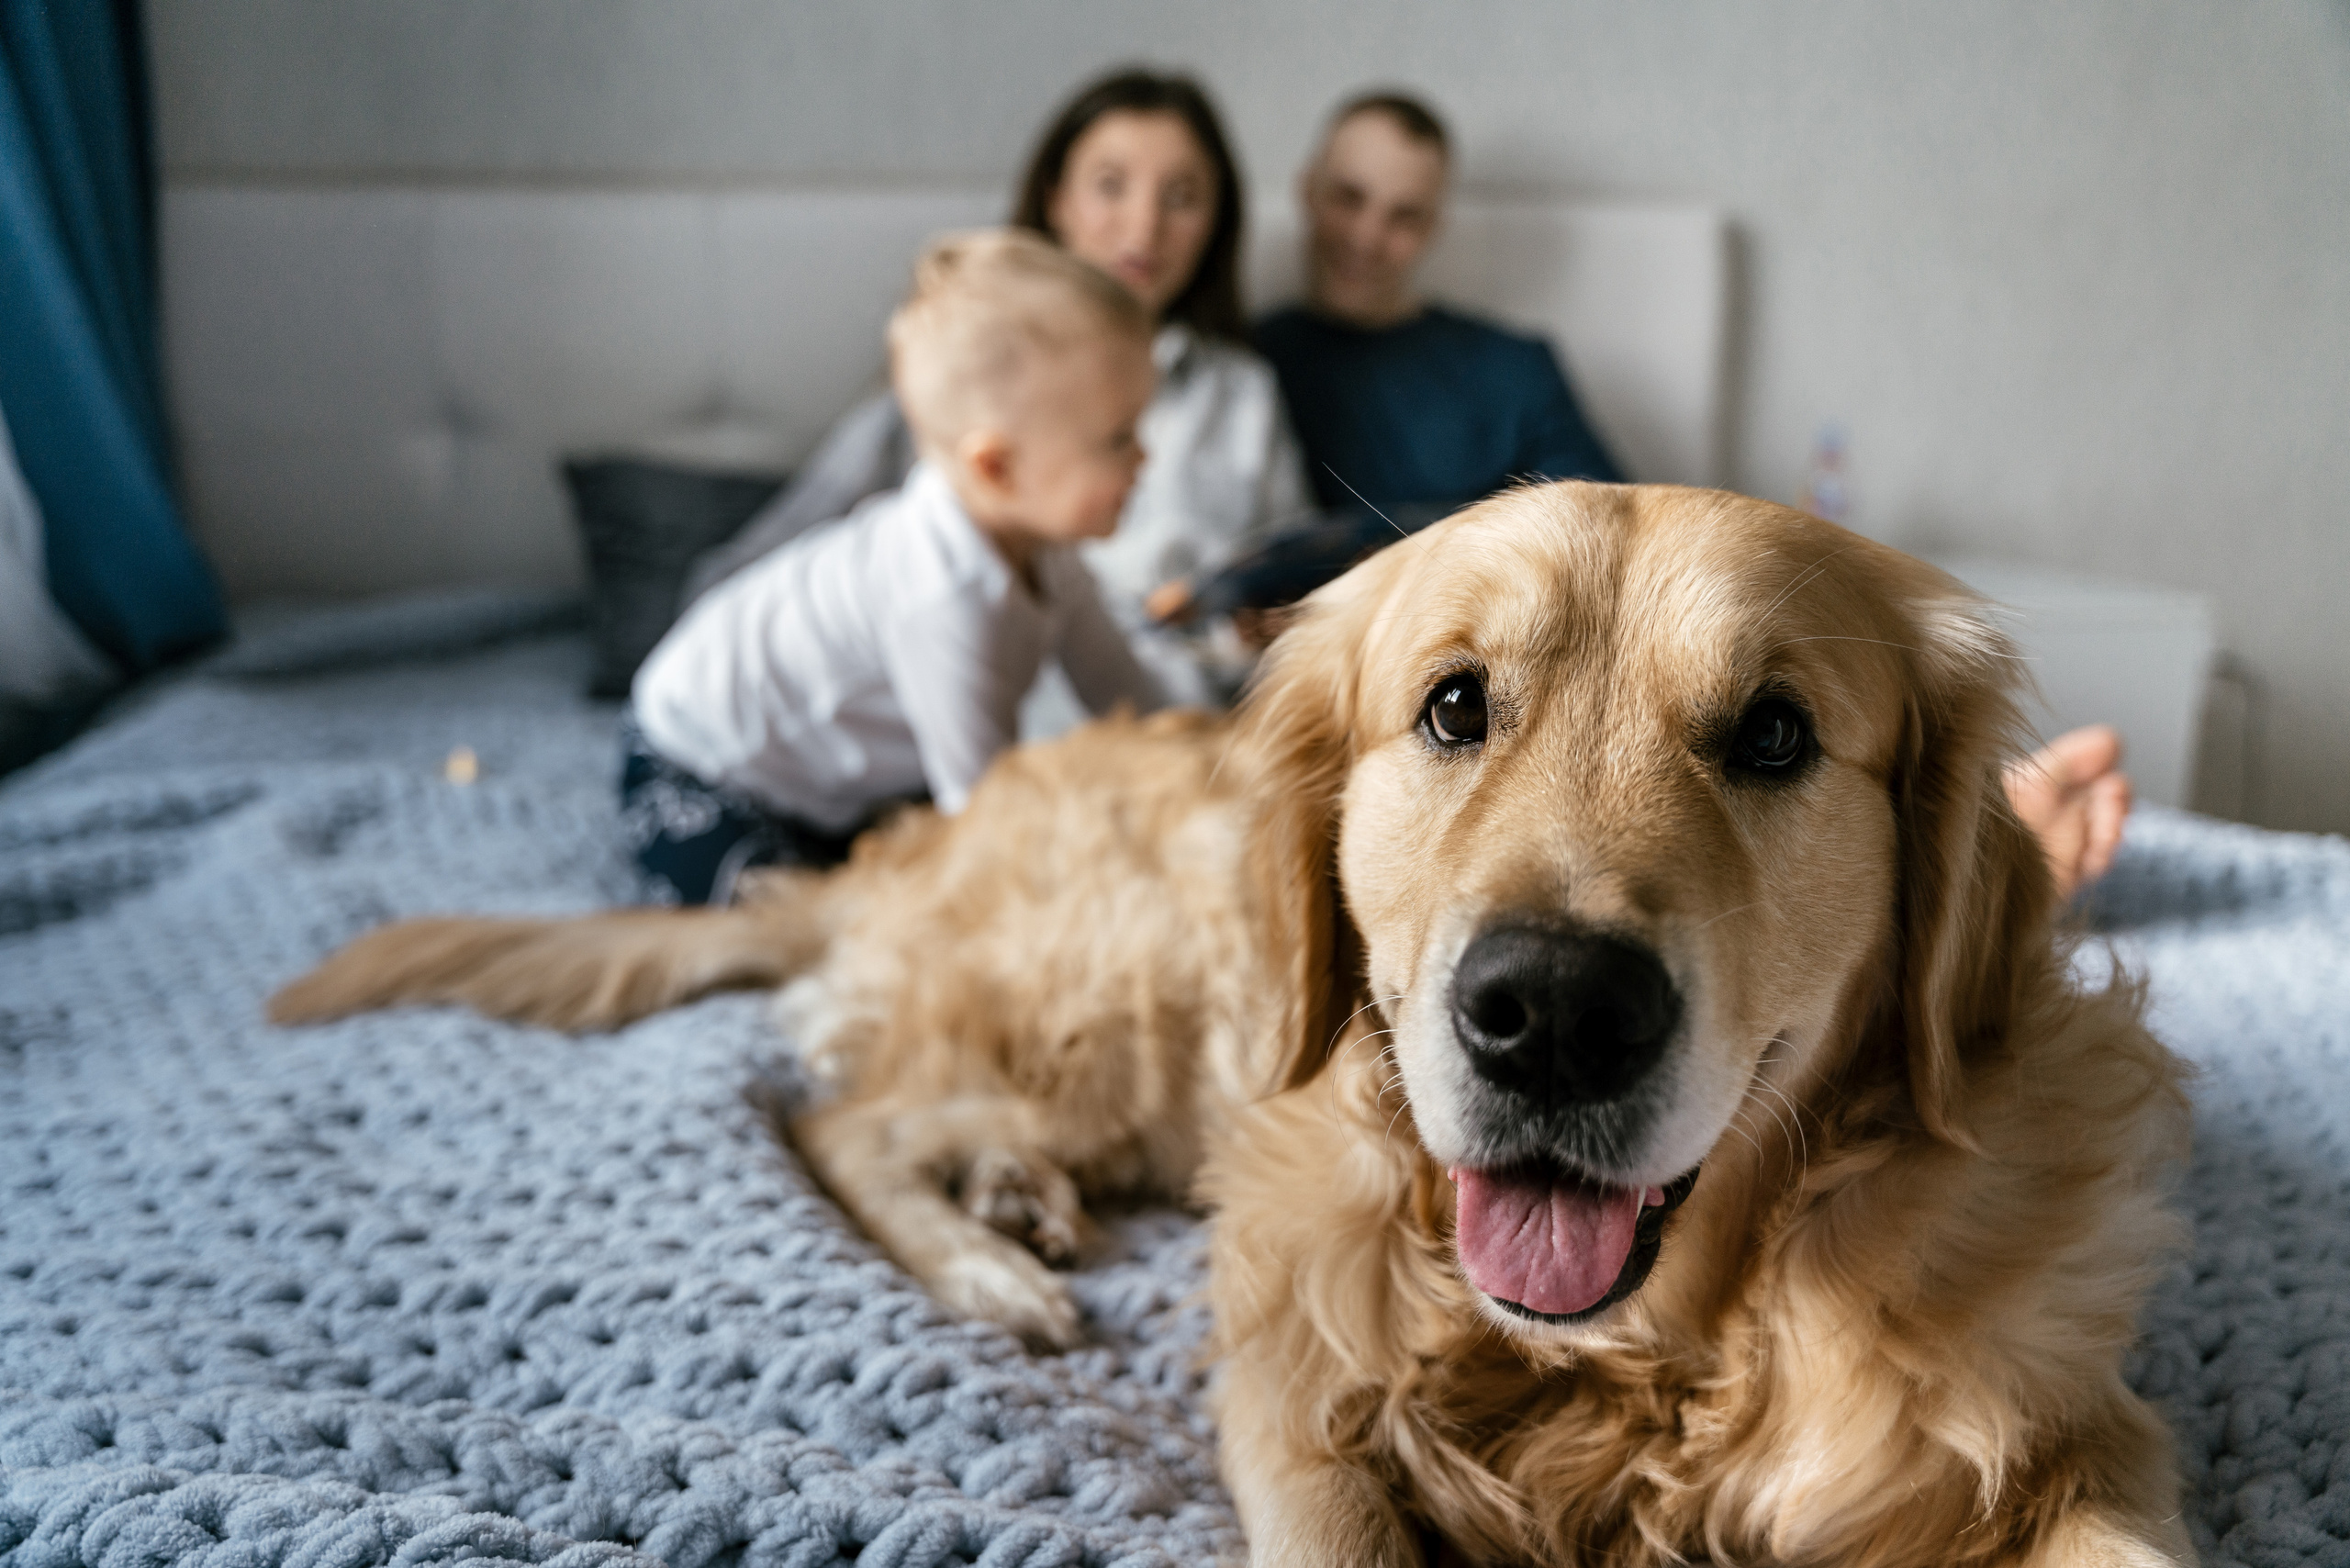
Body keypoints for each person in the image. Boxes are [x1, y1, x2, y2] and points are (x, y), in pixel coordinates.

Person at [685, 68, 1310, 707]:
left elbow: (1300, 587)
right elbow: (763, 568)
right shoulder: (970, 375)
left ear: (1216, 220)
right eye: (1110, 185)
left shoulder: (1244, 394)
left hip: (1178, 721)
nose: (1143, 226)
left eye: (1181, 195)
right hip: (997, 717)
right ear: (1057, 199)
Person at [623, 231, 1165, 905]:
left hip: (841, 781)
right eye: (1119, 438)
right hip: (697, 761)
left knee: (905, 841)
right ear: (995, 467)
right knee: (798, 919)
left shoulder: (1048, 550)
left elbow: (1129, 698)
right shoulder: (944, 595)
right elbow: (987, 819)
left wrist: (1211, 769)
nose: (1146, 458)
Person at [1147, 90, 1621, 625]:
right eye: (1349, 198)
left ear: (1433, 228)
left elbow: (1609, 540)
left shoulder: (1517, 369)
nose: (1367, 237)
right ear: (1308, 191)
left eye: (1404, 217)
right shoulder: (1236, 371)